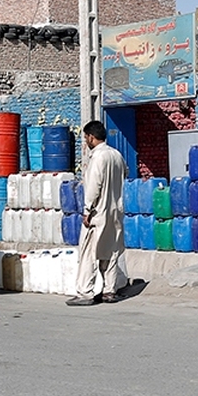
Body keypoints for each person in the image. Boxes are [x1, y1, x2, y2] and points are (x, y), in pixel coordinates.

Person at [67, 120, 128, 306]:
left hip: (98, 213)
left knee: (89, 253)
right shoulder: (117, 155)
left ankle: (85, 292)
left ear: (91, 137)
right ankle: (110, 290)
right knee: (110, 251)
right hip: (115, 212)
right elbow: (125, 173)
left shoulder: (98, 157)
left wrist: (87, 211)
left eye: (86, 137)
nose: (85, 141)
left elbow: (94, 187)